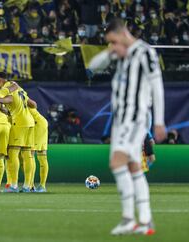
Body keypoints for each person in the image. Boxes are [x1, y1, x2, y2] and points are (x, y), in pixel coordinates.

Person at [89, 18, 166, 235]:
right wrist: (112, 53)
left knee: (117, 163)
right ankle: (145, 220)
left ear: (123, 34)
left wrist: (159, 121)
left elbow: (157, 87)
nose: (112, 46)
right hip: (120, 119)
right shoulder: (119, 54)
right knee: (134, 167)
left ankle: (128, 218)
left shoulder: (145, 52)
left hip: (136, 117)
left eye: (114, 41)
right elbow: (92, 66)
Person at [0, 74, 37, 193]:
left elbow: (10, 99)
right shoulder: (19, 89)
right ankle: (27, 186)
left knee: (12, 153)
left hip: (18, 122)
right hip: (30, 122)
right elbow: (33, 104)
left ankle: (13, 185)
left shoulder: (7, 88)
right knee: (27, 154)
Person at [29, 107, 49, 192]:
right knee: (36, 155)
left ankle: (36, 186)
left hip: (37, 124)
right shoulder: (20, 95)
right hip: (36, 123)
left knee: (31, 153)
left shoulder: (17, 95)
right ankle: (33, 185)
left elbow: (34, 104)